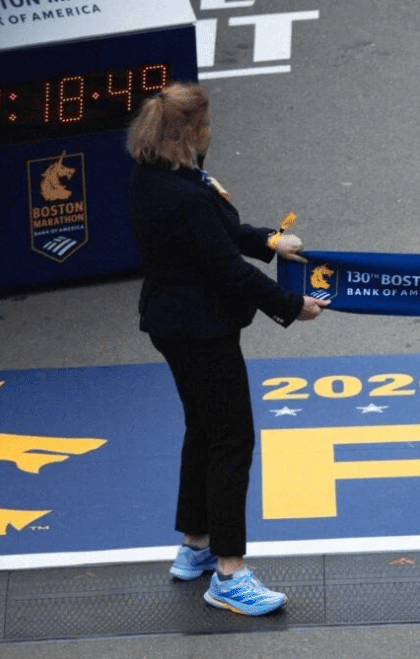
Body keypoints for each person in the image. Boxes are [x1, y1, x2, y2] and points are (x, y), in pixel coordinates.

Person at [126, 82, 327, 615]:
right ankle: (230, 573)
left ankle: (196, 544)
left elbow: (218, 234)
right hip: (201, 332)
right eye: (206, 125)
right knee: (232, 440)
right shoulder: (188, 194)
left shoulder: (156, 176)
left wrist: (269, 241)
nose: (211, 132)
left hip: (172, 323)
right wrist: (291, 305)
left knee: (204, 428)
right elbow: (226, 268)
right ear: (189, 133)